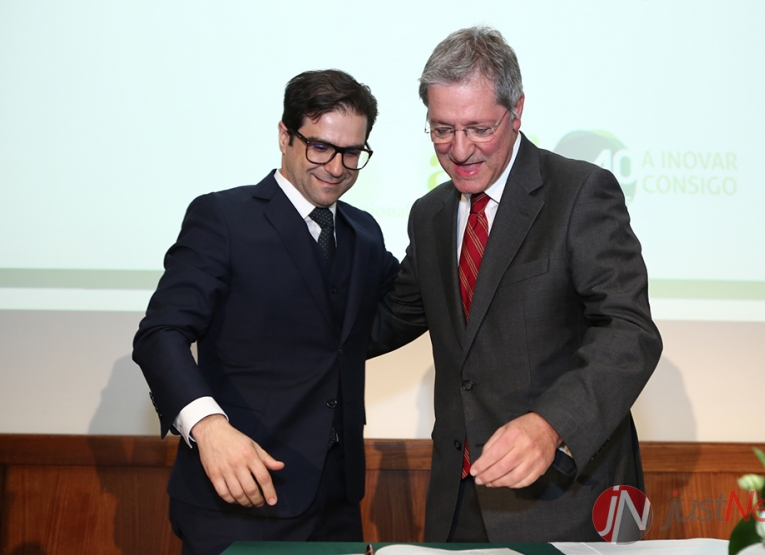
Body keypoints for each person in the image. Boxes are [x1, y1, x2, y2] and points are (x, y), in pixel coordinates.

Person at [370, 27, 663, 542]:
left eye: (479, 128)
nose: (459, 150)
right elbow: (390, 319)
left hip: (566, 498)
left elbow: (629, 331)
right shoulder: (429, 214)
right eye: (442, 129)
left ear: (517, 111)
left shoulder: (579, 192)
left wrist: (551, 424)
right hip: (458, 501)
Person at [133, 69, 398, 555]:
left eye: (352, 152)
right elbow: (160, 333)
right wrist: (208, 428)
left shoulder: (364, 232)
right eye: (320, 147)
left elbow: (394, 311)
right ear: (284, 135)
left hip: (338, 502)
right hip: (240, 498)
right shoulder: (223, 218)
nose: (337, 167)